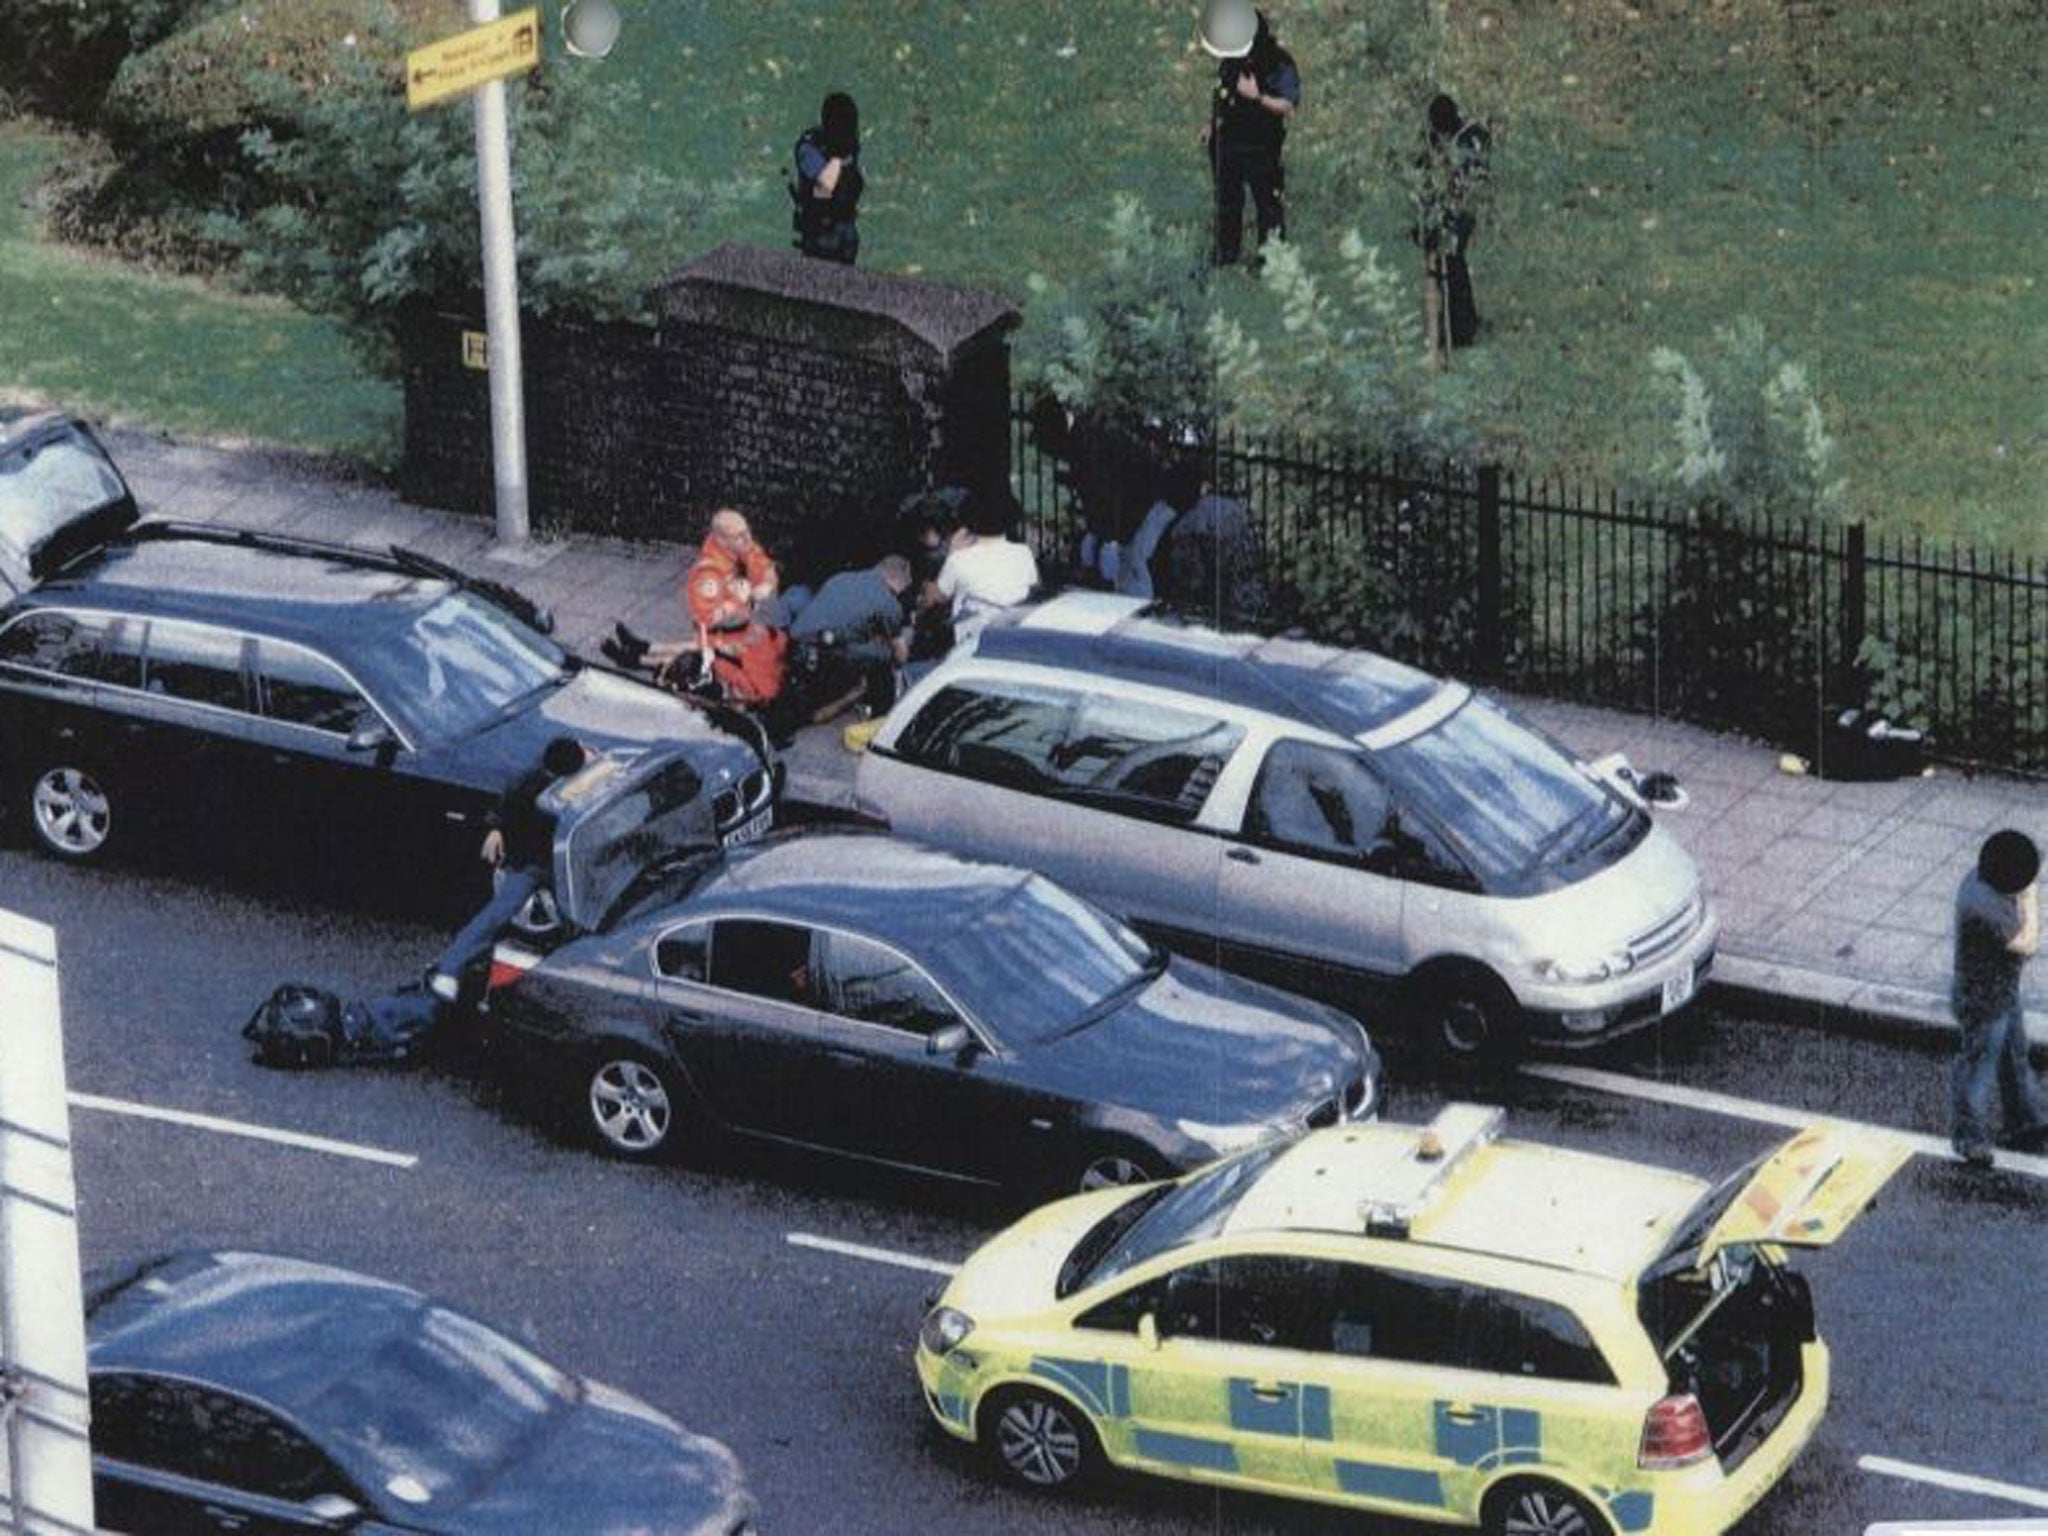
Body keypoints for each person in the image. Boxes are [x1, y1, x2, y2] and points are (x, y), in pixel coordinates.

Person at [426, 735, 590, 1006]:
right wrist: (497, 828)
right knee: (497, 914)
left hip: (553, 859)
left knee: (497, 915)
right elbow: (505, 808)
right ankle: (450, 968)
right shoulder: (530, 786)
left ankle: (450, 969)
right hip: (536, 863)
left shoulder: (546, 776)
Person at [606, 509, 787, 706]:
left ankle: (642, 649)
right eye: (739, 536)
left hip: (741, 635)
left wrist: (765, 585)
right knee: (700, 655)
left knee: (706, 653)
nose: (747, 539)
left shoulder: (740, 547)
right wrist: (737, 600)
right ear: (722, 540)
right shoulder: (709, 571)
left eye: (746, 533)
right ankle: (639, 658)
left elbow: (764, 566)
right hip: (718, 629)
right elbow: (706, 616)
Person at [1949, 828, 2048, 1168]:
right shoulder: (1985, 908)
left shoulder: (1981, 881)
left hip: (2002, 992)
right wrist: (2031, 895)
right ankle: (1968, 1138)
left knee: (2015, 1057)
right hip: (1983, 1004)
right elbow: (2028, 942)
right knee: (1977, 1072)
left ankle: (2026, 1117)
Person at [1202, 9, 1299, 268]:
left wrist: (1257, 96)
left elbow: (1288, 105)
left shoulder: (1279, 63)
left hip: (1262, 145)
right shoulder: (1231, 61)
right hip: (1229, 144)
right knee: (1227, 204)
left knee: (1268, 207)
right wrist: (1211, 125)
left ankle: (1272, 261)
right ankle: (1226, 256)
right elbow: (1221, 93)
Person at [783, 554, 915, 728]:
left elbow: (840, 619)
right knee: (886, 654)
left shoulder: (842, 577)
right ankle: (880, 717)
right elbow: (901, 655)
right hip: (824, 655)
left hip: (794, 643)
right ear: (898, 583)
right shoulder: (889, 603)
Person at [1417, 92, 1491, 350]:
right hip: (1442, 204)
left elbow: (1474, 178)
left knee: (1454, 258)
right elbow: (1424, 166)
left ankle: (1462, 327)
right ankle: (1447, 322)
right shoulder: (1436, 134)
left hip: (1463, 205)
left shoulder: (1472, 136)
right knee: (1440, 261)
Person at [935, 491, 1039, 647]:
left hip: (971, 643)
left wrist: (951, 552)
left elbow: (939, 596)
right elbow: (1033, 587)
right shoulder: (1024, 553)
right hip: (1015, 637)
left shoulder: (958, 559)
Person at [791, 91, 864, 264]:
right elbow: (825, 184)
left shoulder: (849, 144)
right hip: (819, 237)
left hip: (844, 235)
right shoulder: (809, 147)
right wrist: (840, 157)